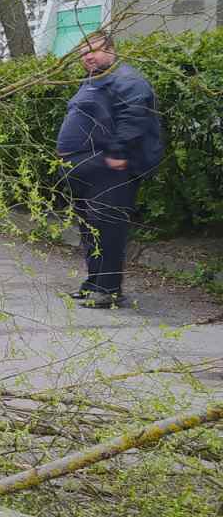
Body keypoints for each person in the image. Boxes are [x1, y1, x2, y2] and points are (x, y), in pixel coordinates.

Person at [56, 31, 164, 309]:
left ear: (113, 50)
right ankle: (94, 283)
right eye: (82, 53)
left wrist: (117, 153)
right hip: (87, 169)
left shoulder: (127, 79)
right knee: (91, 228)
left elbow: (134, 115)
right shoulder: (95, 80)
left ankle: (108, 290)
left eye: (94, 50)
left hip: (111, 169)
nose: (87, 56)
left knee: (108, 228)